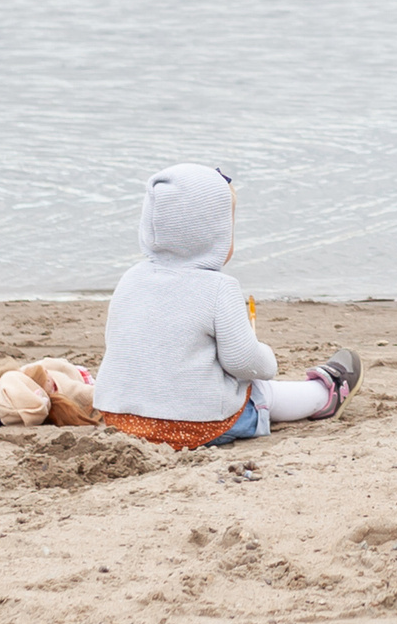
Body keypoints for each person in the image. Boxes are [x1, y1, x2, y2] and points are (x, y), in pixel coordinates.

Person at [94, 164, 363, 450]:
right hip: (197, 426)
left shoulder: (130, 279)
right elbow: (244, 362)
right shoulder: (219, 288)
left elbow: (121, 343)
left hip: (121, 420)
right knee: (260, 391)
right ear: (215, 234)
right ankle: (324, 395)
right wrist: (266, 357)